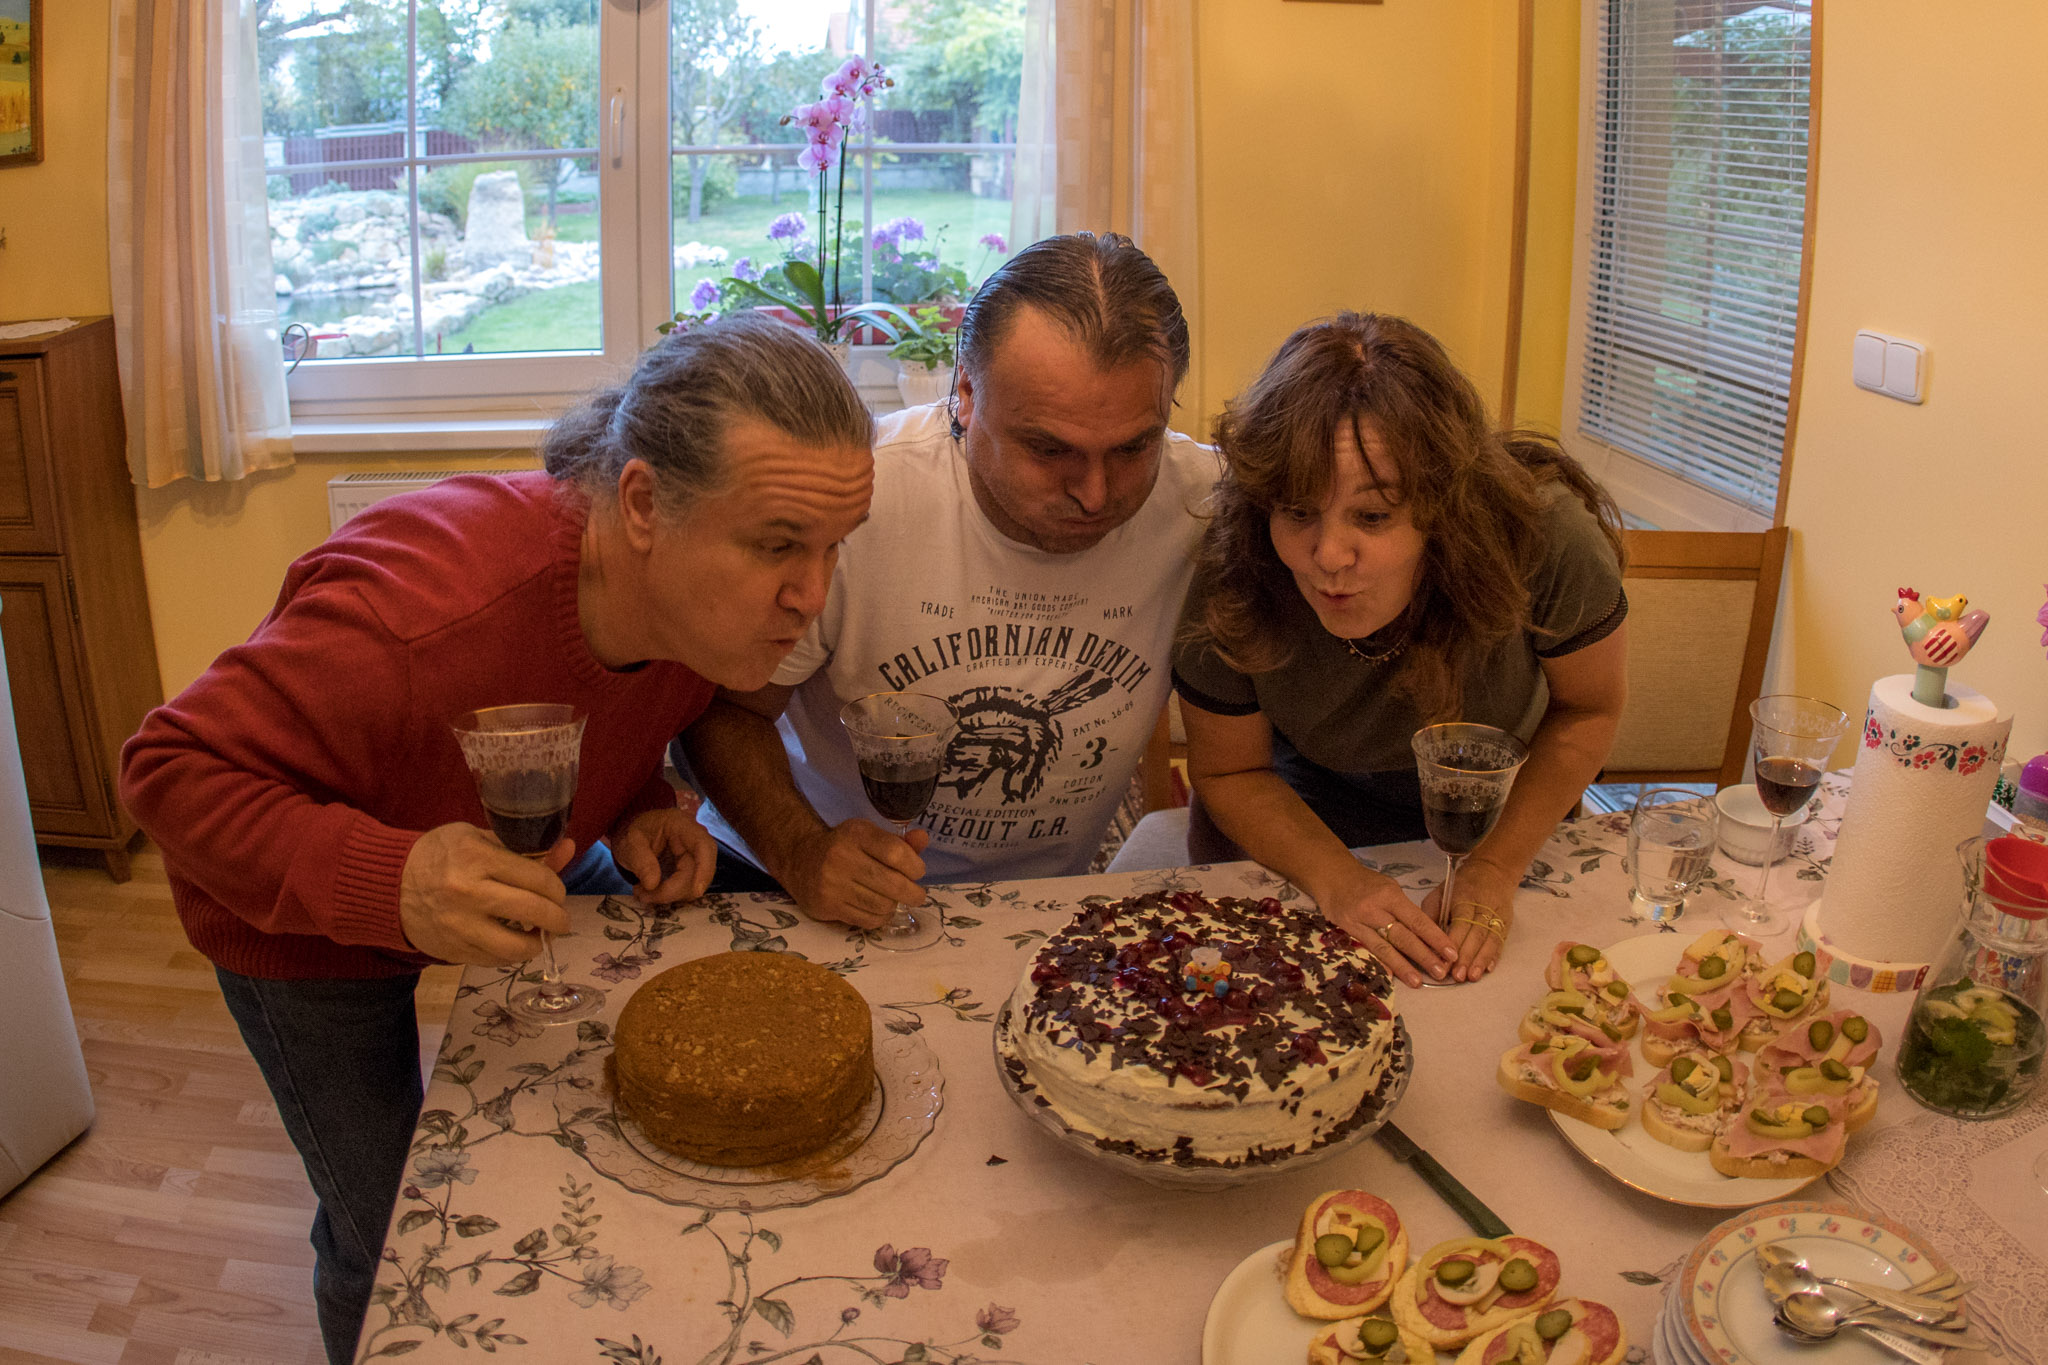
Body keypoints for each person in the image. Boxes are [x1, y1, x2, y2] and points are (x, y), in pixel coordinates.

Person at [117, 313, 874, 1364]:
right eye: (778, 545)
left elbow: (608, 702)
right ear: (642, 503)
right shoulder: (420, 612)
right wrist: (393, 880)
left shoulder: (703, 611)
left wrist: (639, 804)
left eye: (835, 545)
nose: (813, 594)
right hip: (296, 916)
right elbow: (166, 768)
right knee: (390, 1233)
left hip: (523, 854)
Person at [680, 232, 1218, 927]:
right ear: (964, 392)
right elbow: (723, 712)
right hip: (789, 880)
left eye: (1133, 447)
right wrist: (801, 850)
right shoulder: (859, 498)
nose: (1094, 493)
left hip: (1038, 907)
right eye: (1048, 448)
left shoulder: (1204, 504)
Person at [1172, 312, 1628, 988]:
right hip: (1305, 809)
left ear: (1447, 506)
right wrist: (1338, 880)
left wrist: (1495, 867)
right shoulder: (1236, 559)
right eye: (1297, 511)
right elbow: (1231, 770)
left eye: (1372, 515)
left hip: (1507, 811)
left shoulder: (1546, 536)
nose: (1329, 555)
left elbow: (1588, 710)